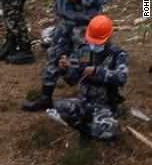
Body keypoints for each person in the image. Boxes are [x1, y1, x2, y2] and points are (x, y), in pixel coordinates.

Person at [21, 0, 113, 113]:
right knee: (53, 55)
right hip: (65, 21)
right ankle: (45, 96)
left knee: (85, 62)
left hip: (85, 24)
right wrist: (58, 9)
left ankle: (96, 101)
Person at [50, 15, 128, 144]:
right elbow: (72, 80)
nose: (94, 45)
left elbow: (122, 78)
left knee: (102, 131)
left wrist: (97, 72)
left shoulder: (117, 54)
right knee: (60, 108)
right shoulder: (82, 51)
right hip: (85, 100)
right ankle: (85, 133)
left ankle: (107, 128)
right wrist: (64, 69)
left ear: (107, 37)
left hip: (105, 104)